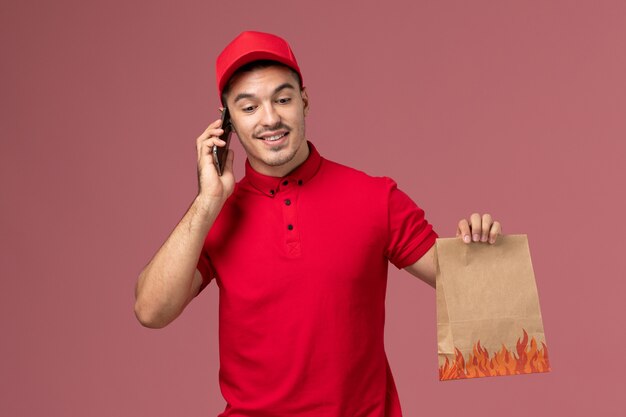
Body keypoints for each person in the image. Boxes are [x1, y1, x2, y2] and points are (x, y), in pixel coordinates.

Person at [134, 31, 502, 417]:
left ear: (304, 101)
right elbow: (150, 311)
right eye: (249, 108)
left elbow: (476, 290)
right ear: (226, 123)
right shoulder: (216, 215)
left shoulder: (376, 197)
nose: (270, 118)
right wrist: (207, 201)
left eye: (282, 99)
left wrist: (481, 252)